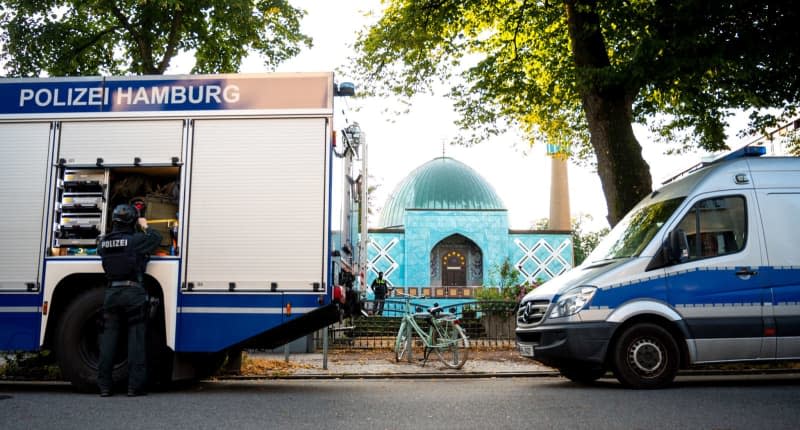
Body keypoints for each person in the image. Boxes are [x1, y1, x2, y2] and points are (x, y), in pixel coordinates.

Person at [97, 204, 161, 397]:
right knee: (136, 341)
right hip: (133, 294)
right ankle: (134, 387)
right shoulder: (135, 241)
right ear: (132, 221)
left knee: (108, 342)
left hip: (111, 294)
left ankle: (104, 387)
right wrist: (145, 225)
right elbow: (156, 238)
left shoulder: (103, 243)